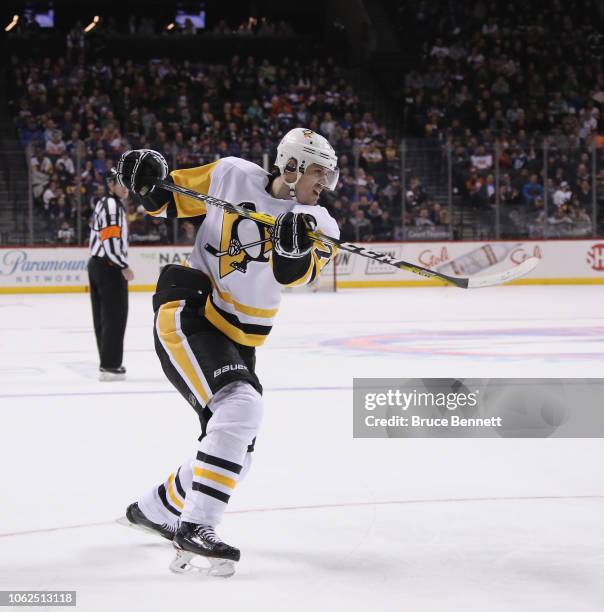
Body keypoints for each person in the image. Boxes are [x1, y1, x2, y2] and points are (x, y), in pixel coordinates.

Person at [116, 129, 339, 576]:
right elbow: (168, 198)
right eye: (318, 172)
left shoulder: (322, 224)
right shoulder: (231, 174)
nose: (326, 183)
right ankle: (196, 526)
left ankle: (156, 508)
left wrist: (293, 245)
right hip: (192, 307)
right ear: (291, 168)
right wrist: (146, 179)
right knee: (240, 407)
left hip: (238, 338)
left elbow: (295, 275)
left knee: (238, 445)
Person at [88, 169, 134, 381]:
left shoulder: (105, 204)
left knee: (104, 317)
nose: (126, 188)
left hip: (99, 265)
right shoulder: (112, 207)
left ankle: (108, 363)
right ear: (111, 185)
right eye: (122, 184)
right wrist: (123, 264)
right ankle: (110, 365)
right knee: (115, 317)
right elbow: (110, 239)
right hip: (109, 266)